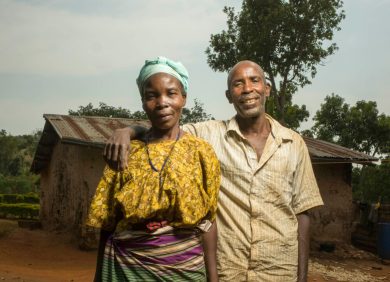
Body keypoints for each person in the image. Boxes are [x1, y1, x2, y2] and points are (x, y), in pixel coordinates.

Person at [104, 60, 323, 281]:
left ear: (266, 88)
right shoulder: (207, 136)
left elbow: (302, 214)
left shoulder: (294, 143)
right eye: (238, 84)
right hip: (228, 270)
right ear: (229, 96)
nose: (247, 89)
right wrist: (128, 131)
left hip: (279, 270)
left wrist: (301, 277)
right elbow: (163, 128)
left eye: (254, 80)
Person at [86, 56, 221, 281]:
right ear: (142, 102)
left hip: (184, 268)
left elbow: (208, 221)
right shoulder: (126, 150)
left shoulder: (201, 152)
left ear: (184, 98)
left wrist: (213, 278)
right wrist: (99, 276)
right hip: (126, 268)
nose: (162, 103)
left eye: (171, 93)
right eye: (152, 96)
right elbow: (108, 224)